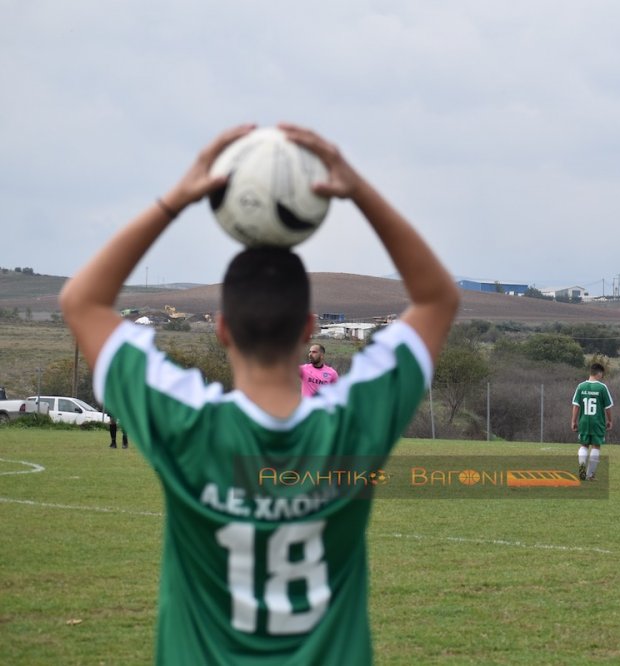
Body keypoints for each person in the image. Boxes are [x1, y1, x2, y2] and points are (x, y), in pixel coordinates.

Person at [58, 123, 459, 664]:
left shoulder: (186, 423)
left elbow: (82, 301)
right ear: (309, 328)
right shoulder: (351, 424)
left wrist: (177, 198)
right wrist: (357, 188)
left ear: (222, 329)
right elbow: (437, 300)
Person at [571, 362, 614, 481]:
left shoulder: (581, 386)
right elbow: (608, 407)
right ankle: (590, 475)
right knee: (596, 446)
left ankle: (581, 471)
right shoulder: (602, 387)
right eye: (602, 374)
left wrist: (573, 421)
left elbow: (576, 405)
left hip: (584, 421)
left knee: (584, 445)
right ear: (599, 373)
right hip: (597, 422)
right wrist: (610, 420)